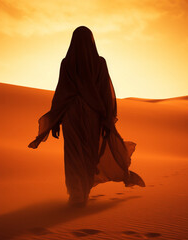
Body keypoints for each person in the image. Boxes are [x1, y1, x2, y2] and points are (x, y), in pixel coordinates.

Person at [29, 26, 145, 207]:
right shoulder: (97, 63)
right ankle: (81, 195)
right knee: (89, 154)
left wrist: (56, 121)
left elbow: (61, 93)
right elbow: (105, 93)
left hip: (71, 115)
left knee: (74, 154)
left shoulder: (68, 62)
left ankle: (77, 195)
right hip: (92, 114)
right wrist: (107, 117)